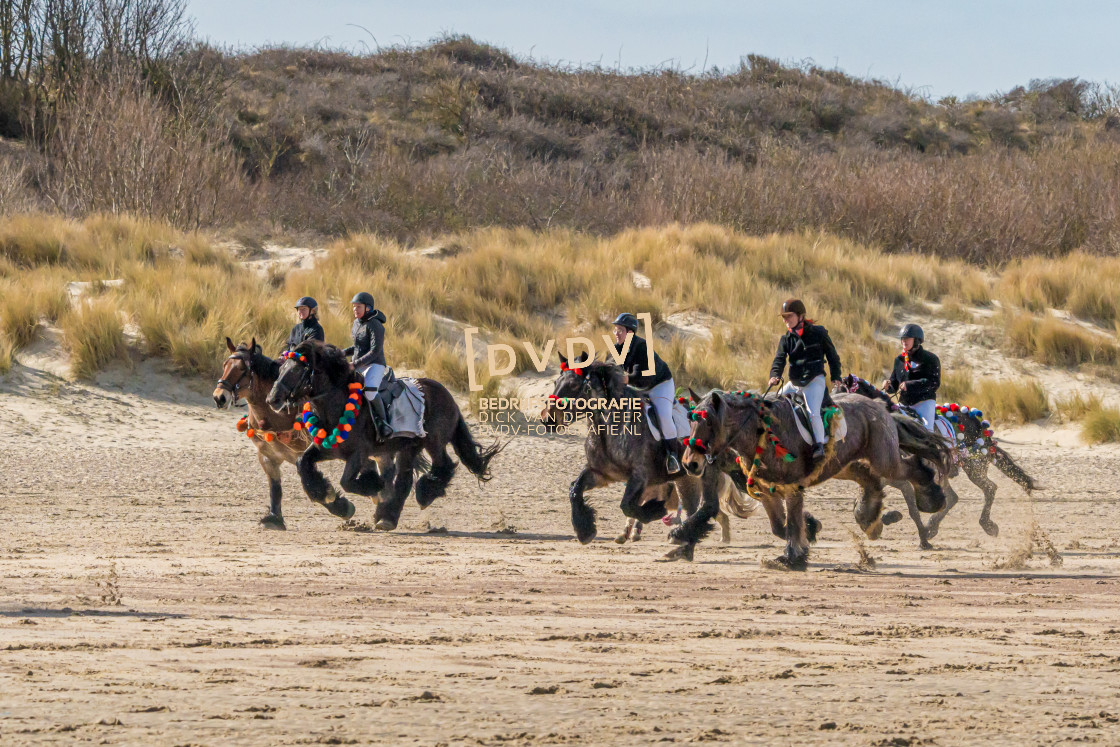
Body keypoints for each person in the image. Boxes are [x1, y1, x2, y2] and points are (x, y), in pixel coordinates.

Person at [768, 299, 843, 461]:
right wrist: (774, 375)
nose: (785, 320)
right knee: (771, 402)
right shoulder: (785, 339)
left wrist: (836, 376)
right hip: (794, 384)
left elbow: (832, 357)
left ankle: (819, 446)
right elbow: (779, 360)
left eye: (789, 316)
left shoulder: (819, 333)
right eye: (784, 317)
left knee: (812, 411)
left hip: (814, 381)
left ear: (801, 316)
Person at [611, 313, 682, 475]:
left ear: (629, 333)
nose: (616, 333)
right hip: (637, 386)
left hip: (659, 385)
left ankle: (673, 456)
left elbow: (645, 378)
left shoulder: (643, 348)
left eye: (619, 330)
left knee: (663, 415)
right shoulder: (617, 349)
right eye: (615, 330)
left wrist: (627, 378)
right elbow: (610, 366)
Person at [344, 292, 392, 439]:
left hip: (375, 364)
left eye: (358, 307)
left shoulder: (375, 325)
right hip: (359, 364)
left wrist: (355, 364)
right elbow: (357, 347)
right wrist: (340, 353)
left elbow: (375, 351)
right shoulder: (357, 323)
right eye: (354, 307)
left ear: (368, 308)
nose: (355, 310)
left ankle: (383, 424)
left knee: (370, 392)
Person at [882, 323, 940, 431]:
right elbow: (894, 384)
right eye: (902, 338)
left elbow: (934, 383)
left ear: (917, 340)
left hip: (924, 403)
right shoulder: (899, 360)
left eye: (907, 338)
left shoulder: (930, 359)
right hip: (904, 404)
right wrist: (888, 385)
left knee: (927, 430)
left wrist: (910, 385)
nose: (904, 341)